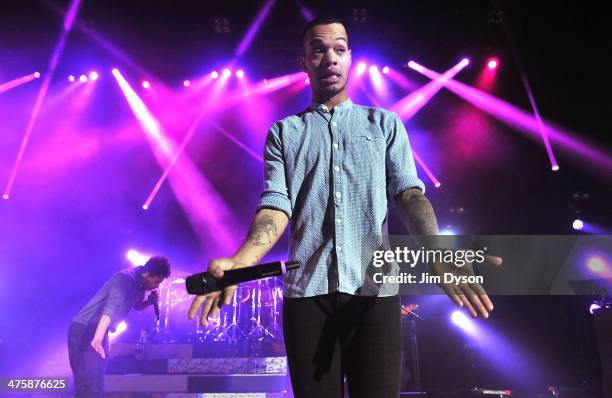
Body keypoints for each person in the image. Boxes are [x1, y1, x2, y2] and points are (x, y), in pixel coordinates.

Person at [188, 16, 495, 398]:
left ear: (350, 58)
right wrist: (241, 259)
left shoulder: (385, 124)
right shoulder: (284, 133)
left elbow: (410, 194)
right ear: (304, 62)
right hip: (307, 298)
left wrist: (436, 248)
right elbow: (275, 206)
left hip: (375, 296)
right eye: (318, 49)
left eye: (339, 48)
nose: (329, 57)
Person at [68, 256, 171, 397]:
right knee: (87, 384)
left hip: (99, 331)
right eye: (156, 282)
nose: (156, 286)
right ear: (147, 275)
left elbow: (136, 305)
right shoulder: (124, 280)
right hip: (84, 330)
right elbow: (109, 309)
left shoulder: (140, 285)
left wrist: (149, 301)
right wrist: (97, 339)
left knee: (97, 384)